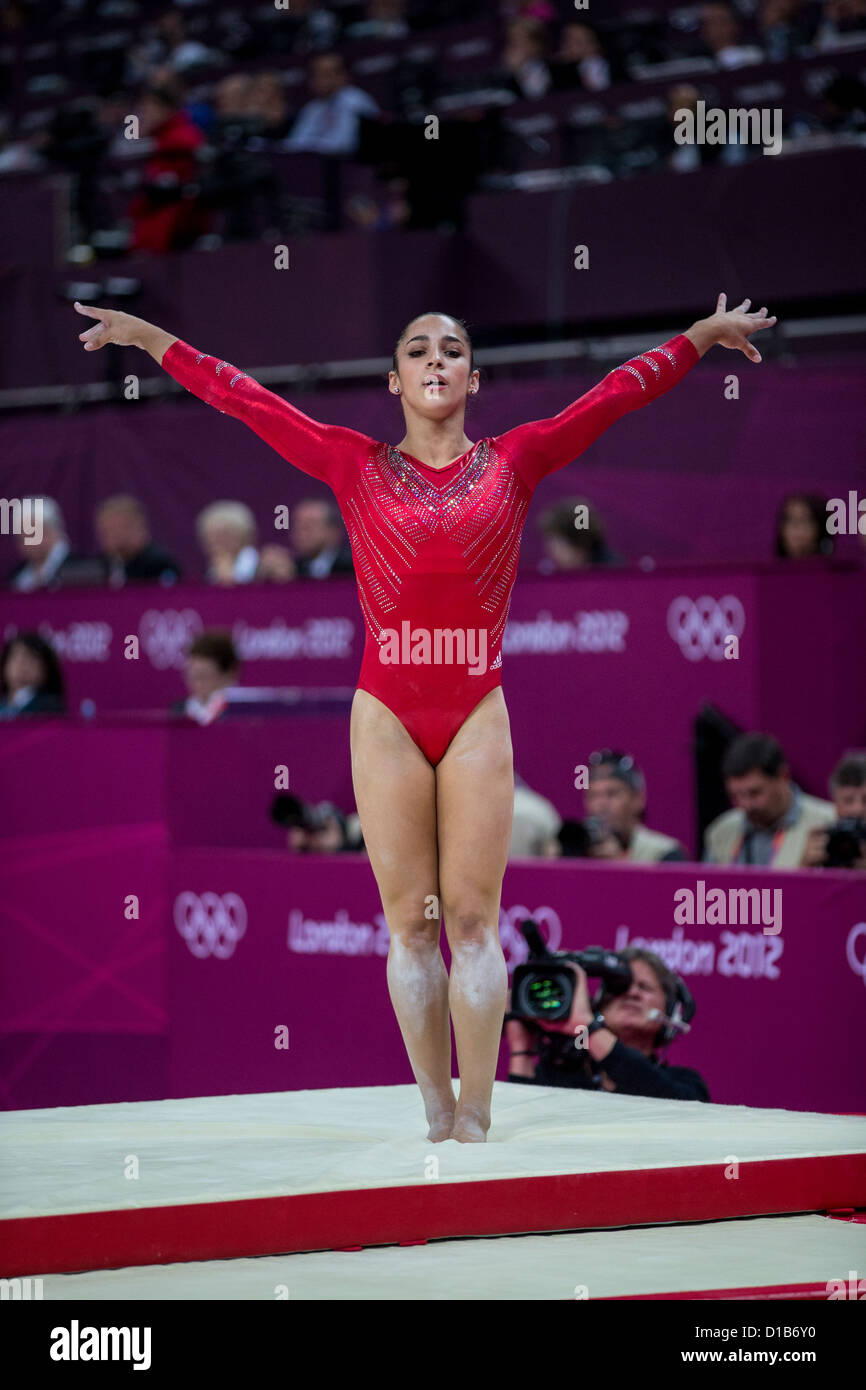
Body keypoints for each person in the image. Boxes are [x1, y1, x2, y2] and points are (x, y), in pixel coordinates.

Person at [73, 291, 776, 1141]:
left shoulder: (516, 461)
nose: (435, 359)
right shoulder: (352, 463)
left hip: (476, 708)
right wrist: (152, 339)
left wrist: (699, 336)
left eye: (450, 350)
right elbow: (242, 396)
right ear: (395, 379)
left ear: (473, 378)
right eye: (418, 350)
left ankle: (478, 1115)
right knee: (411, 921)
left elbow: (615, 395)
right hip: (387, 711)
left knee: (473, 918)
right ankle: (437, 1115)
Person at [506, 949, 709, 1099]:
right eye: (620, 987)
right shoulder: (561, 1078)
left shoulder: (687, 1085)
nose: (632, 993)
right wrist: (521, 1047)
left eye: (644, 987)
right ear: (600, 1003)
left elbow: (660, 1096)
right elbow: (523, 1127)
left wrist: (586, 1026)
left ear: (671, 1009)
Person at [703, 731, 835, 866]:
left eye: (754, 793)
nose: (746, 805)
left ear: (783, 776)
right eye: (736, 796)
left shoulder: (829, 823)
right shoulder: (721, 832)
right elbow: (708, 887)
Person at [95, 495, 182, 585]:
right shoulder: (102, 567)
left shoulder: (159, 564)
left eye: (123, 528)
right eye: (109, 530)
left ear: (141, 528)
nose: (116, 536)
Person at [170, 630, 241, 724]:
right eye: (192, 676)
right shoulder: (178, 711)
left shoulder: (243, 714)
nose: (197, 684)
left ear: (229, 674)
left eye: (203, 676)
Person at [0, 632, 66, 718]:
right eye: (15, 658)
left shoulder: (51, 709)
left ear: (46, 668)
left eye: (30, 660)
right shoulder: (3, 705)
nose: (21, 666)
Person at [291, 498, 354, 577]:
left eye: (310, 523)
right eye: (297, 523)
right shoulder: (294, 568)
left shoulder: (354, 569)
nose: (301, 530)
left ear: (334, 531)